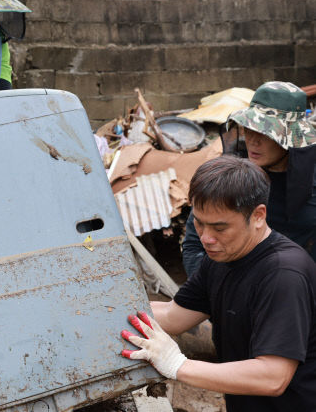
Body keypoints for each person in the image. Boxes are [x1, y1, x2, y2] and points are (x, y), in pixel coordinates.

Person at [121, 156, 316, 411]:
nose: (205, 238)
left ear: (258, 216)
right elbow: (173, 315)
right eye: (199, 224)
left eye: (219, 228)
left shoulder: (283, 275)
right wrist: (108, 307)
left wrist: (178, 364)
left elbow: (273, 376)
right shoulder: (221, 259)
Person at [181, 81, 316, 276]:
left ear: (291, 137)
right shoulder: (229, 179)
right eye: (250, 128)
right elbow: (194, 245)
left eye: (266, 132)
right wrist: (211, 291)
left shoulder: (309, 183)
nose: (253, 140)